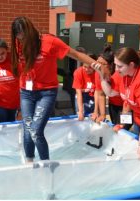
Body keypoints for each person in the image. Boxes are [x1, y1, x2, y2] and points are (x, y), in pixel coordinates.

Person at [10, 16, 106, 162]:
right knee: (28, 130)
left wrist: (98, 66)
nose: (22, 42)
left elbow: (76, 54)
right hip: (26, 92)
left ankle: (46, 165)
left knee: (36, 130)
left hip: (46, 92)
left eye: (24, 38)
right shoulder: (18, 43)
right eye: (19, 38)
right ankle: (29, 163)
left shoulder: (50, 42)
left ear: (31, 32)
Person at [95, 45, 132, 129]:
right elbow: (101, 95)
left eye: (102, 64)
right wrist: (103, 115)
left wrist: (122, 123)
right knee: (115, 126)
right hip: (113, 105)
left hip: (126, 105)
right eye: (98, 62)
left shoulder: (119, 75)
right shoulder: (98, 74)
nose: (99, 66)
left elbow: (126, 101)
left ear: (111, 65)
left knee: (124, 129)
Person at [72, 53, 101, 121]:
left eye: (90, 67)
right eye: (85, 66)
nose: (87, 69)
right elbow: (78, 92)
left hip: (93, 95)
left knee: (94, 116)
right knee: (80, 115)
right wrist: (81, 111)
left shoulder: (98, 73)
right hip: (81, 95)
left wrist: (96, 111)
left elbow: (97, 93)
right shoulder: (78, 72)